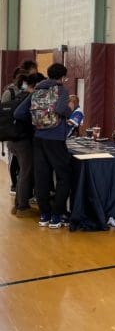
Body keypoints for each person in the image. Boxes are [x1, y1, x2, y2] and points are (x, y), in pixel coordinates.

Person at [15, 63, 73, 228]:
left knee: (42, 178)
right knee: (64, 176)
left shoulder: (37, 90)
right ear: (62, 77)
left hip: (38, 138)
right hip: (55, 139)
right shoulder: (61, 90)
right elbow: (62, 109)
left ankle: (44, 215)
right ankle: (57, 215)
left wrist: (37, 122)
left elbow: (18, 112)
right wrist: (71, 113)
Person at [8, 73, 42, 217]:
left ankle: (18, 205)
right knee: (25, 173)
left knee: (22, 172)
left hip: (13, 139)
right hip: (23, 141)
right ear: (36, 85)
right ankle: (22, 207)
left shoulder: (19, 95)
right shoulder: (30, 97)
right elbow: (19, 114)